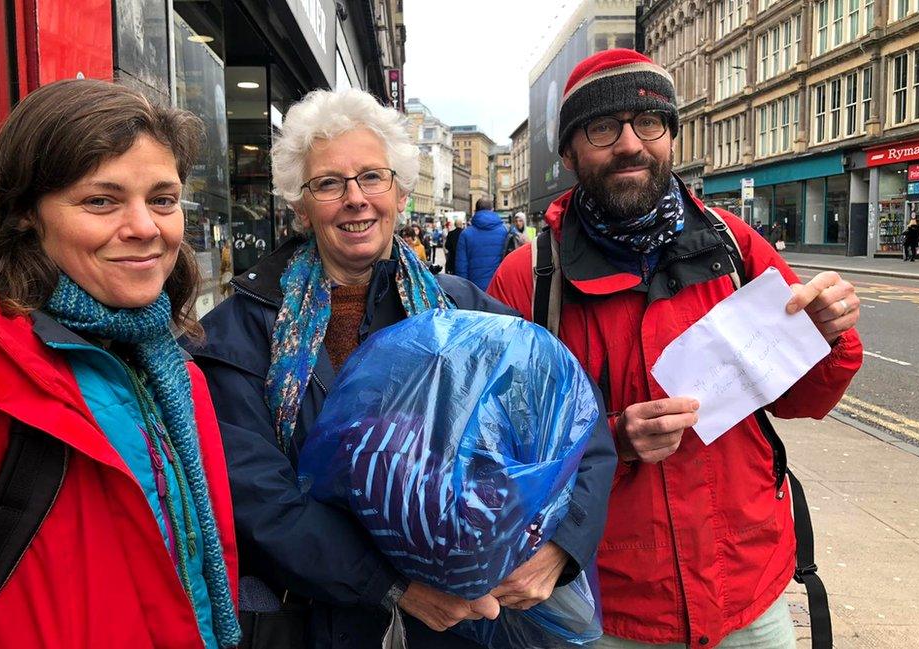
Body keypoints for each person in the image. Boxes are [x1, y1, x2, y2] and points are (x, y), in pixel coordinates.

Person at [185, 88, 615, 649]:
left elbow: (581, 430)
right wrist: (392, 585)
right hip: (317, 626)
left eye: (371, 177)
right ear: (299, 203)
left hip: (465, 629)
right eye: (329, 184)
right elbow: (260, 500)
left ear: (399, 191)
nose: (355, 198)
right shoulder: (238, 333)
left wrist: (561, 550)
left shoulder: (465, 311)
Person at [488, 49, 864, 649]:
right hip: (608, 609)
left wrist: (827, 336)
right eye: (603, 128)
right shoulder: (528, 278)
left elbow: (801, 401)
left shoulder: (733, 242)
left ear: (671, 138)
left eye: (649, 123)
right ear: (569, 153)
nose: (630, 144)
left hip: (747, 594)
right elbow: (494, 450)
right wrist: (615, 437)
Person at [0, 79, 240, 648]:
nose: (145, 227)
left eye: (163, 199)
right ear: (25, 213)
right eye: (100, 201)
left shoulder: (175, 370)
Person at [456, 197, 508, 290]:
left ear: (475, 211)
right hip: (497, 287)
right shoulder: (504, 231)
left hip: (474, 290)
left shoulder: (465, 234)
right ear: (492, 210)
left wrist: (463, 290)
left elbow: (461, 267)